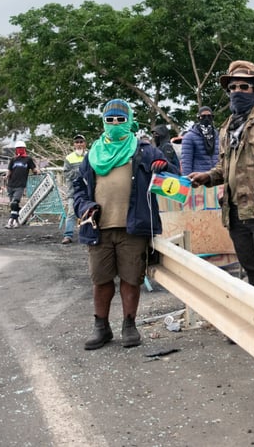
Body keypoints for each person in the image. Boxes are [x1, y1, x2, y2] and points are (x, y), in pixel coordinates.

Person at [188, 60, 254, 303]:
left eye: (244, 87)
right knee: (252, 270)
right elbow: (224, 166)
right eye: (233, 87)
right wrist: (207, 177)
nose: (237, 91)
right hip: (236, 211)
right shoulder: (227, 126)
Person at [73, 99, 177, 350]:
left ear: (130, 121)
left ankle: (129, 326)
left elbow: (175, 179)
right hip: (99, 228)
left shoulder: (144, 150)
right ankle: (102, 327)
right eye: (110, 120)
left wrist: (165, 167)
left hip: (134, 227)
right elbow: (77, 189)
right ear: (103, 123)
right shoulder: (93, 154)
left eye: (121, 119)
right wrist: (85, 206)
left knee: (132, 279)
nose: (116, 124)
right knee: (101, 280)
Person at [4, 141, 39, 229]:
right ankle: (17, 219)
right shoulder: (13, 160)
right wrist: (6, 176)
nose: (20, 150)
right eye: (18, 148)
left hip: (20, 185)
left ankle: (11, 221)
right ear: (16, 150)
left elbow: (34, 169)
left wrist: (37, 172)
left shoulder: (28, 159)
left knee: (15, 202)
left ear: (24, 149)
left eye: (21, 148)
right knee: (13, 205)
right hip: (11, 184)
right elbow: (9, 170)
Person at [61, 134, 88, 243]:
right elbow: (67, 173)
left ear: (85, 143)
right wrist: (81, 171)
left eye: (81, 142)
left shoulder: (90, 156)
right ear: (74, 145)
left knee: (88, 212)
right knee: (71, 213)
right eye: (77, 142)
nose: (79, 144)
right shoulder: (69, 158)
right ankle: (68, 235)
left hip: (87, 190)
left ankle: (86, 234)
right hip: (73, 191)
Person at [181, 106, 220, 174]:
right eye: (203, 116)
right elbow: (186, 162)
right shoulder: (189, 137)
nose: (206, 119)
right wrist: (187, 180)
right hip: (198, 178)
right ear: (199, 118)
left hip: (215, 177)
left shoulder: (217, 135)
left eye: (209, 116)